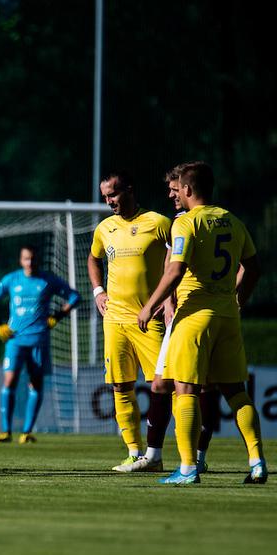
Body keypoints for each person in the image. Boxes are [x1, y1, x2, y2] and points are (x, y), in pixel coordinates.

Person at [138, 161, 265, 485]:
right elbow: (252, 267)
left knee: (186, 390)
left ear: (189, 190)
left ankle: (187, 468)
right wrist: (238, 300)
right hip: (227, 316)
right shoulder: (233, 221)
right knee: (237, 393)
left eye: (178, 188)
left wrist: (150, 305)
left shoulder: (186, 223)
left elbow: (175, 270)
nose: (175, 193)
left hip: (195, 317)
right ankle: (257, 462)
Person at [88, 171, 172, 473]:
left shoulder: (159, 223)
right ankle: (135, 453)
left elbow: (176, 260)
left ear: (129, 190)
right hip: (115, 319)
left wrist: (168, 298)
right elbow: (93, 258)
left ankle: (156, 453)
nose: (109, 201)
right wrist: (99, 291)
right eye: (105, 196)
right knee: (120, 386)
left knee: (162, 385)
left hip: (149, 319)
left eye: (113, 194)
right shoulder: (104, 228)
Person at [0, 245, 79, 442]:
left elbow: (74, 296)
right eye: (26, 259)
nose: (30, 263)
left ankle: (27, 431)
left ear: (38, 260)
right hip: (15, 339)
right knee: (9, 381)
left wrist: (59, 315)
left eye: (33, 259)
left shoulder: (48, 280)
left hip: (38, 339)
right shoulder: (12, 279)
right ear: (21, 260)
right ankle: (6, 431)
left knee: (35, 383)